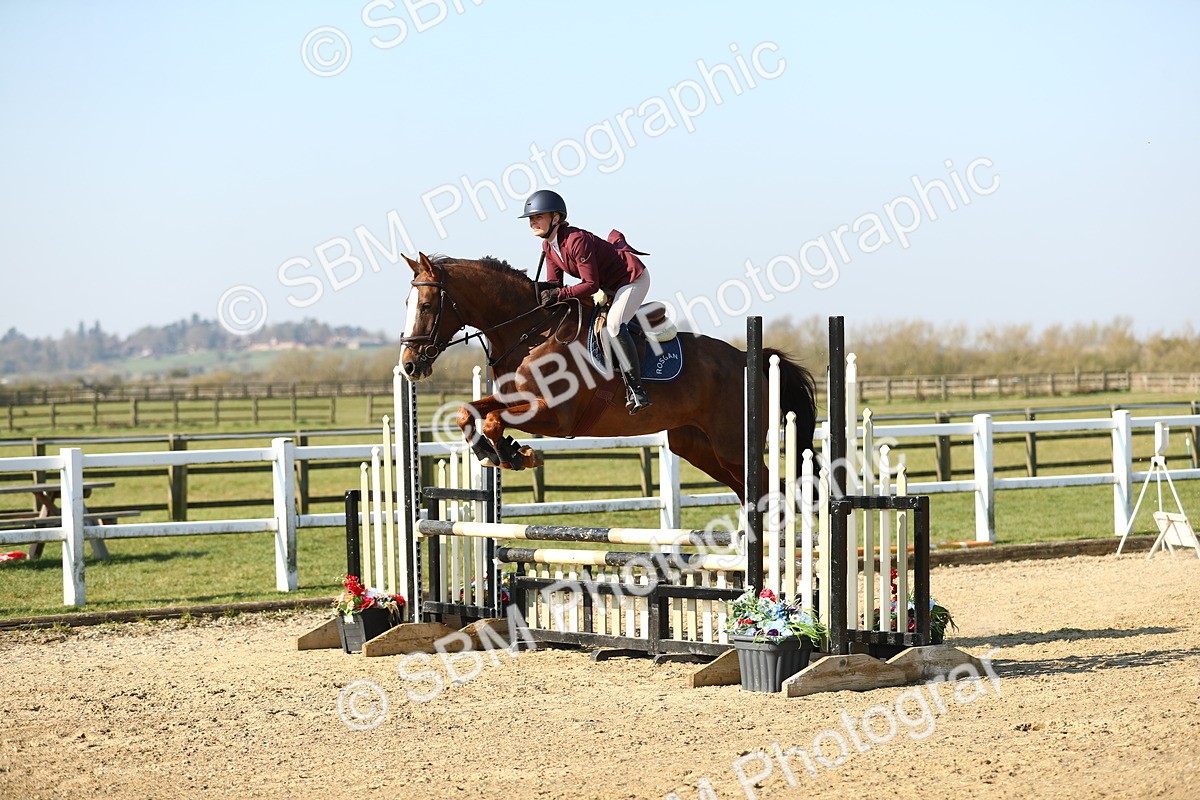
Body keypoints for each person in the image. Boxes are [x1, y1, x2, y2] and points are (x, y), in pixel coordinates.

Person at [519, 189, 652, 414]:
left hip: (631, 279)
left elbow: (590, 285)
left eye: (538, 217)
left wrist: (558, 294)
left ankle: (637, 390)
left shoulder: (576, 240)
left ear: (556, 218)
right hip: (608, 286)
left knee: (613, 325)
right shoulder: (548, 246)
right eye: (531, 218)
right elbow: (554, 284)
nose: (533, 222)